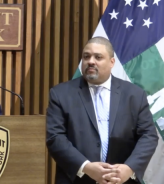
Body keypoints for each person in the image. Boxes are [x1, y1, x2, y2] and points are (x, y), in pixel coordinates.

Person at [46, 37, 158, 184]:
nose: (91, 61)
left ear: (112, 62)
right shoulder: (61, 94)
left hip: (122, 180)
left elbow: (148, 136)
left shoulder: (134, 94)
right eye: (86, 56)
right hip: (78, 180)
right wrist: (86, 167)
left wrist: (129, 168)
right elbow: (55, 137)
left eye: (98, 57)